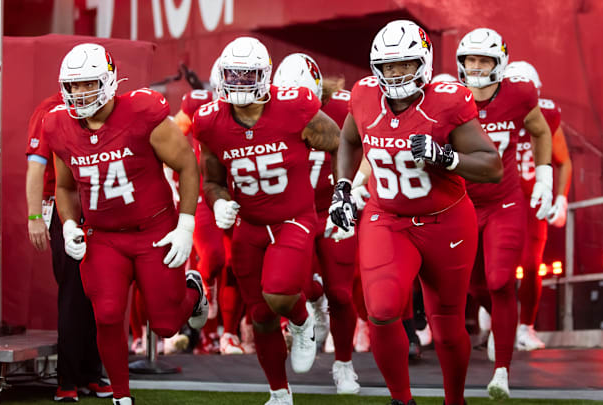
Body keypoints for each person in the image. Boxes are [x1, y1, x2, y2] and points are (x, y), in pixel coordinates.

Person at [329, 20, 503, 405]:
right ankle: (401, 400)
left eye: (405, 65)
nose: (396, 74)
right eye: (388, 67)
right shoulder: (363, 95)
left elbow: (492, 166)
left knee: (446, 327)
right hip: (387, 217)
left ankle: (454, 401)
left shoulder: (447, 99)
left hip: (446, 220)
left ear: (423, 63)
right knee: (383, 309)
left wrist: (446, 157)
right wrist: (343, 188)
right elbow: (348, 139)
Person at [42, 43, 208, 405]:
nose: (80, 93)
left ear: (109, 81)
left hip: (153, 229)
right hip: (104, 236)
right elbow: (66, 186)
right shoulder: (58, 125)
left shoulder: (142, 112)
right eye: (73, 86)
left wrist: (185, 225)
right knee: (107, 313)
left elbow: (187, 164)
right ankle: (121, 395)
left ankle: (194, 295)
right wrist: (70, 225)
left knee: (165, 325)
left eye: (88, 84)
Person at [193, 37, 341, 405]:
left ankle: (302, 320)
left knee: (277, 294)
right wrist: (219, 201)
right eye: (233, 76)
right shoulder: (210, 121)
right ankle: (279, 392)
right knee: (259, 314)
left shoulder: (294, 105)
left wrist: (344, 188)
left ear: (265, 76)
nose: (240, 84)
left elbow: (338, 140)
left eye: (248, 76)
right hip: (251, 224)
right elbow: (211, 180)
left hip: (294, 217)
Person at [456, 28, 554, 400]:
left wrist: (544, 178)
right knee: (474, 286)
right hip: (461, 203)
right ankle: (496, 321)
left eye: (484, 60)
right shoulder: (447, 97)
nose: (476, 67)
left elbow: (541, 132)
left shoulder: (518, 94)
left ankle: (502, 371)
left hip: (504, 202)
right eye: (471, 60)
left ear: (500, 63)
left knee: (500, 281)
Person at [273, 53, 360, 394]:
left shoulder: (341, 108)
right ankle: (315, 304)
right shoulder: (270, 112)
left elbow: (361, 147)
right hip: (294, 214)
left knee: (341, 292)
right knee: (296, 283)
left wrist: (355, 188)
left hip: (332, 208)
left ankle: (343, 364)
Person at [25, 93, 112, 402]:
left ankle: (92, 372)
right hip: (66, 209)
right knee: (74, 292)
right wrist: (35, 215)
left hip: (103, 206)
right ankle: (68, 376)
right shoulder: (51, 110)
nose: (86, 87)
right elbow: (36, 165)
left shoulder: (109, 105)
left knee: (100, 292)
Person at [173, 60, 246, 355]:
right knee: (214, 257)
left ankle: (229, 334)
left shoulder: (259, 109)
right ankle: (203, 292)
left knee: (237, 262)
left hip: (242, 193)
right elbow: (171, 137)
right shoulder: (198, 104)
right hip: (207, 192)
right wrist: (174, 171)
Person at [505, 61, 572, 350]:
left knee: (532, 265)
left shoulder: (545, 115)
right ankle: (494, 313)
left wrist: (561, 198)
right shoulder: (489, 113)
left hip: (533, 200)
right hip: (500, 199)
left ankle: (525, 326)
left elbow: (563, 160)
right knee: (493, 267)